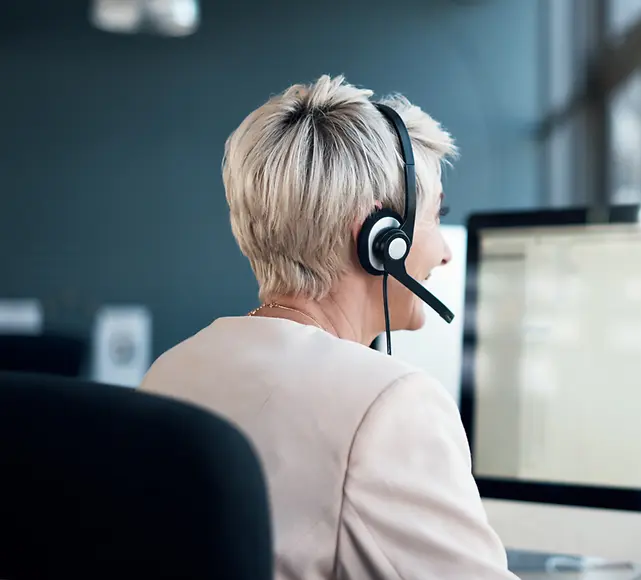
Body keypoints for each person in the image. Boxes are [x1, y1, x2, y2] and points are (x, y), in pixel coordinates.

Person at [139, 75, 519, 579]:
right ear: (381, 238)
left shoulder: (172, 370)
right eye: (436, 215)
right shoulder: (390, 405)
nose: (446, 252)